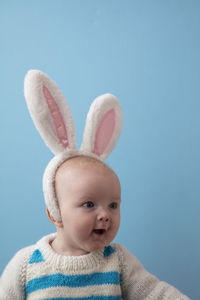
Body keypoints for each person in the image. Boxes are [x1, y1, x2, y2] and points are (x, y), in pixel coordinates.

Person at [0, 70, 190, 299]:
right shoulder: (27, 265)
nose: (105, 215)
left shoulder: (117, 261)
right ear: (55, 212)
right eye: (89, 204)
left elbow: (155, 292)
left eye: (113, 205)